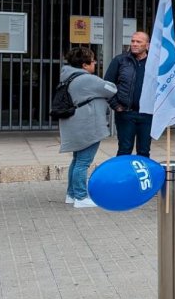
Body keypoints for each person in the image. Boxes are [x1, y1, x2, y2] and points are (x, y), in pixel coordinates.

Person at [58, 47, 116, 208]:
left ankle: (71, 194)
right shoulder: (87, 79)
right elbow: (111, 89)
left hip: (75, 124)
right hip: (87, 126)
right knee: (83, 162)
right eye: (93, 61)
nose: (95, 63)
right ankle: (81, 197)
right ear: (84, 65)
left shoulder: (68, 76)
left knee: (77, 161)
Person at [105, 30, 151, 157]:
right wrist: (116, 105)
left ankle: (141, 176)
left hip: (147, 114)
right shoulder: (120, 60)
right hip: (125, 113)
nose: (134, 44)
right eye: (133, 41)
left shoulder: (154, 63)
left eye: (138, 42)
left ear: (147, 45)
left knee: (144, 151)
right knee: (124, 150)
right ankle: (123, 177)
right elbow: (107, 85)